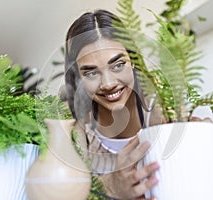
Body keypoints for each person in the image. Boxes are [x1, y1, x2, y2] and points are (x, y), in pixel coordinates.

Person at [63, 9, 165, 199]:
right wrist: (111, 188)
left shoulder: (164, 111)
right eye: (91, 73)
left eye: (118, 65)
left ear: (133, 60)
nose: (108, 84)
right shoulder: (78, 136)